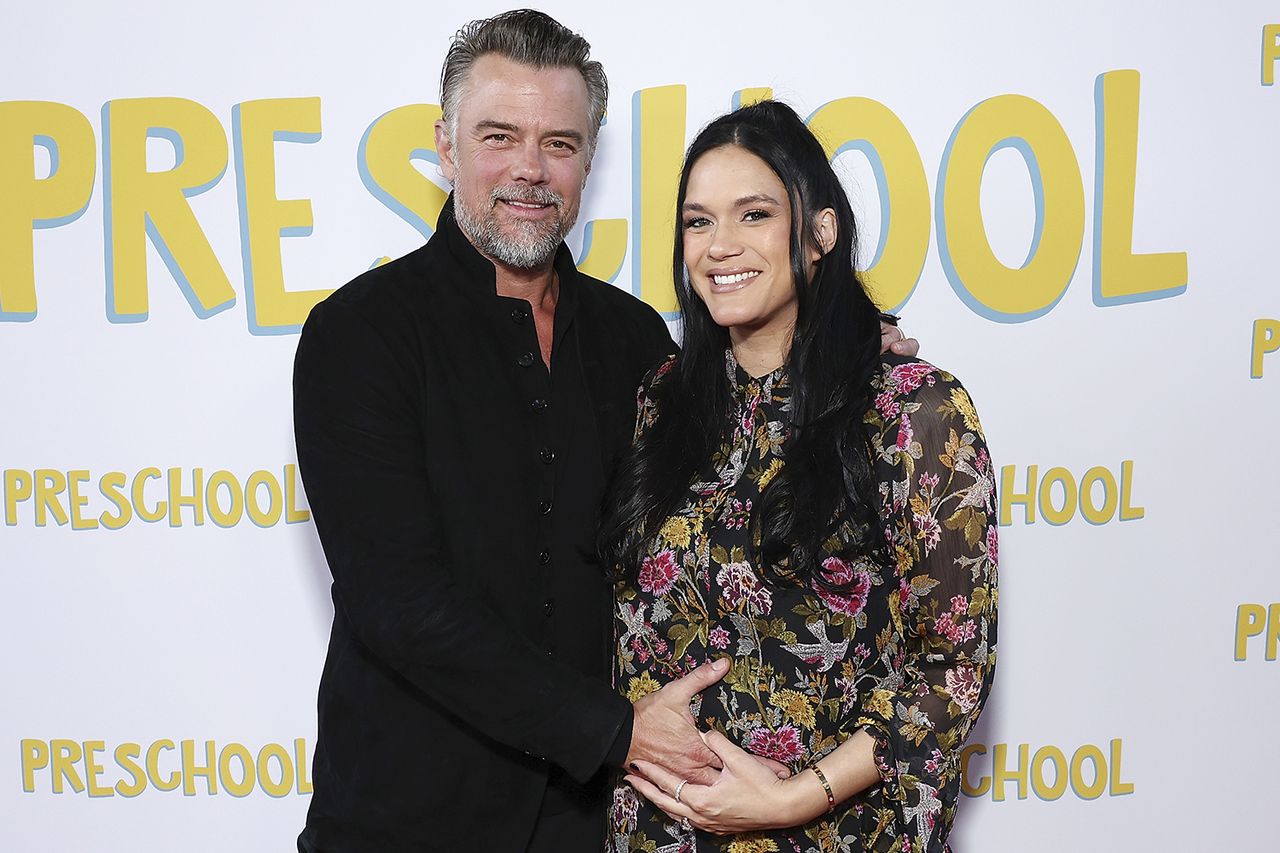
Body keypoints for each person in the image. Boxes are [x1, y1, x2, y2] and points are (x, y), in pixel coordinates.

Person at [292, 10, 916, 851]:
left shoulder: (638, 345)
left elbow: (747, 469)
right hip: (403, 823)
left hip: (596, 828)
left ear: (588, 160)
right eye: (499, 136)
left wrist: (840, 346)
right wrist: (617, 730)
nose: (529, 169)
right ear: (445, 148)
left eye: (559, 143)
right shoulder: (359, 336)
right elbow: (401, 603)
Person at [599, 101, 997, 853]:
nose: (720, 245)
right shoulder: (659, 402)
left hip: (833, 834)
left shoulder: (913, 411)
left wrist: (790, 799)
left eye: (754, 214)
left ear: (820, 233)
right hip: (655, 834)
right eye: (698, 221)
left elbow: (953, 671)